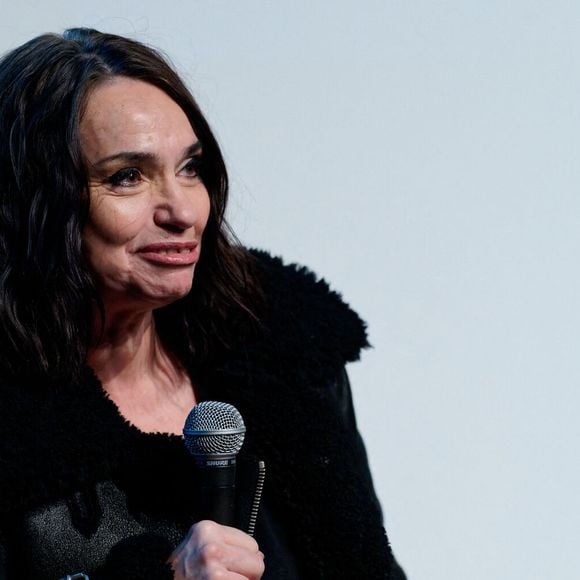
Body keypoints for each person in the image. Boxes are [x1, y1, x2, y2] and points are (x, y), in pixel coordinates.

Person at [0, 28, 406, 579]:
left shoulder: (283, 350)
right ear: (33, 203)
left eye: (190, 168)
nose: (184, 211)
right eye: (127, 177)